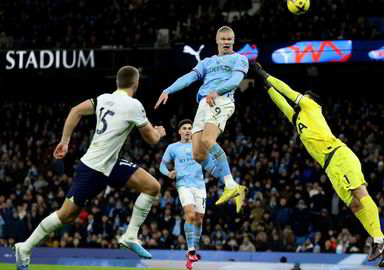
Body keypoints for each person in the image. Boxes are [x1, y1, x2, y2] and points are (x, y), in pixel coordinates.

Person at [14, 66, 166, 270]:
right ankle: (25, 247)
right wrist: (159, 132)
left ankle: (130, 235)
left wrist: (65, 141)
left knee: (152, 186)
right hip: (93, 168)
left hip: (111, 163)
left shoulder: (103, 98)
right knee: (66, 215)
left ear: (117, 83)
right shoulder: (133, 105)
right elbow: (151, 139)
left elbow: (75, 110)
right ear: (136, 84)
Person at [250, 62, 384, 267]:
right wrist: (265, 84)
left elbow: (289, 92)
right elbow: (282, 103)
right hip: (330, 167)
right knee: (355, 206)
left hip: (339, 155)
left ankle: (378, 240)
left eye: (305, 95)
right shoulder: (298, 118)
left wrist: (264, 73)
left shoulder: (312, 106)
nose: (302, 96)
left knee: (360, 194)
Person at [154, 26, 248, 213]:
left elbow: (236, 81)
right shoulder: (207, 62)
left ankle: (231, 185)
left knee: (208, 139)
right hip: (203, 104)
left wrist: (217, 91)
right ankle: (234, 188)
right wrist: (168, 90)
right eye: (223, 39)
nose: (227, 42)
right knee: (198, 155)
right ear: (217, 40)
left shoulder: (240, 59)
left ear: (234, 40)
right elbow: (189, 77)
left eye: (230, 39)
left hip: (221, 100)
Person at [159, 119, 210, 270]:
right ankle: (190, 251)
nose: (187, 130)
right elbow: (162, 165)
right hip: (184, 185)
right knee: (190, 215)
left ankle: (195, 246)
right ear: (179, 131)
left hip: (200, 186)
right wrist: (168, 173)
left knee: (199, 221)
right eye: (185, 128)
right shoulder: (172, 147)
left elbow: (208, 160)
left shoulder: (199, 144)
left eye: (190, 128)